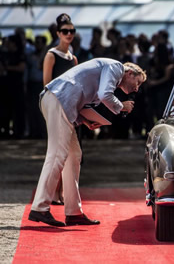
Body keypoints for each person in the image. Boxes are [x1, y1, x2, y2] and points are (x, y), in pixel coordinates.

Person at [28, 58, 146, 226]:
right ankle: (40, 207)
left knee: (73, 155)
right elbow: (105, 95)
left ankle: (73, 212)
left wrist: (87, 121)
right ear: (130, 73)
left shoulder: (109, 72)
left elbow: (87, 101)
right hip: (58, 99)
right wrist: (122, 107)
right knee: (57, 155)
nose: (137, 88)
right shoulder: (116, 67)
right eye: (138, 82)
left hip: (58, 100)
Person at [42, 13, 78, 206]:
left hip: (71, 109)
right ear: (58, 33)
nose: (69, 34)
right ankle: (53, 194)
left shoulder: (73, 58)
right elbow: (46, 85)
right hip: (56, 108)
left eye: (72, 31)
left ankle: (62, 193)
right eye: (65, 31)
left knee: (70, 154)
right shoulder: (51, 55)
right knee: (56, 152)